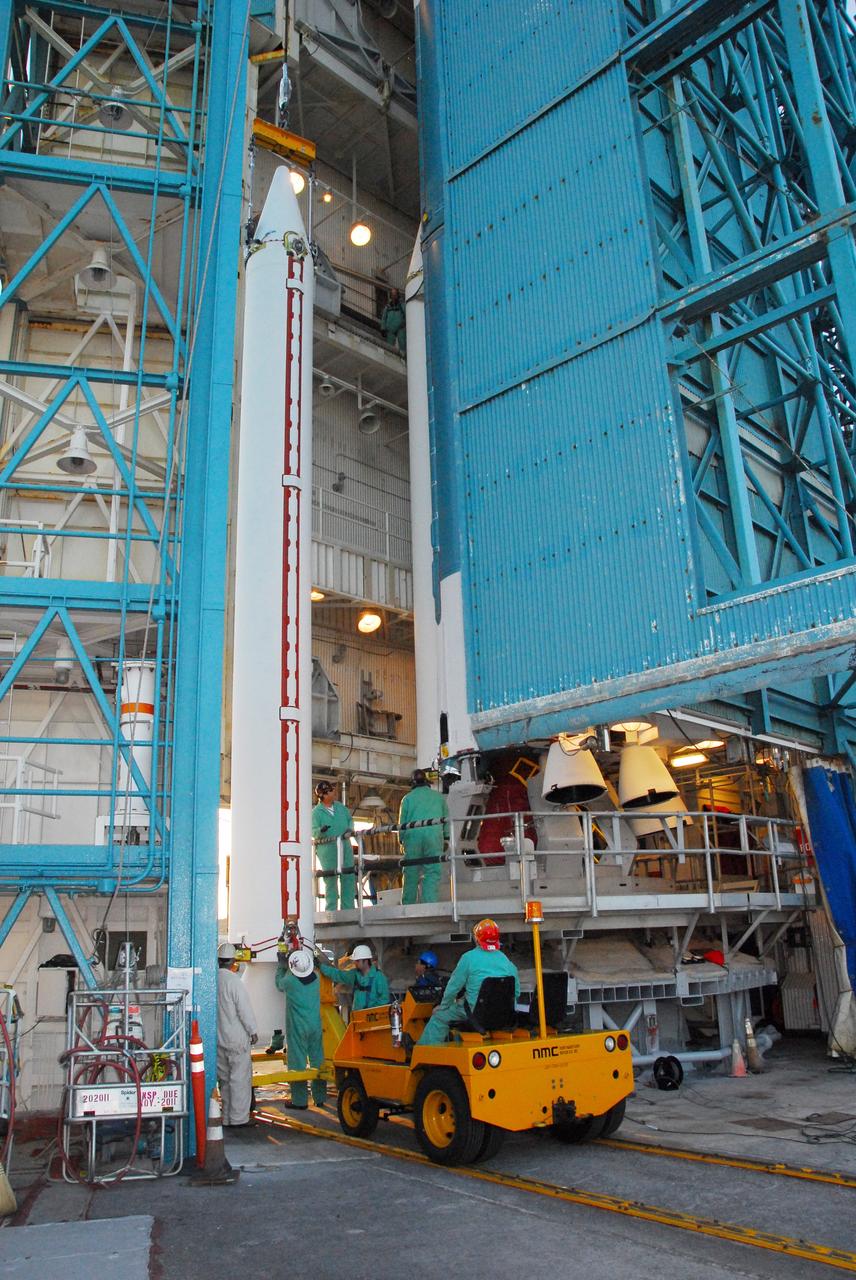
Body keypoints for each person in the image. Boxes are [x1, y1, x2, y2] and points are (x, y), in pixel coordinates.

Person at [418, 919, 519, 1046]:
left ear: (477, 938)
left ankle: (425, 1052)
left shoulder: (468, 958)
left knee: (439, 1017)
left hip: (473, 1014)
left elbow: (453, 988)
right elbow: (516, 992)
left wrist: (443, 1007)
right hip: (502, 1016)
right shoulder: (506, 961)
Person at [274, 948, 327, 1110]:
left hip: (298, 1027)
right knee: (318, 1060)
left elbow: (279, 984)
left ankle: (299, 1101)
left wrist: (281, 966)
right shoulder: (316, 978)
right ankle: (320, 1098)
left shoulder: (290, 981)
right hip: (315, 1025)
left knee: (297, 1062)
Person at [216, 942, 258, 1127]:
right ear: (233, 960)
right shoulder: (234, 982)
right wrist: (253, 1031)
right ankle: (239, 1120)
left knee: (225, 1080)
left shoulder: (213, 980)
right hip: (236, 1039)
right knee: (239, 1081)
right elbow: (244, 1010)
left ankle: (226, 1118)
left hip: (219, 1038)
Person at [398, 769, 449, 905]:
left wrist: (401, 840)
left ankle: (408, 905)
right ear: (427, 782)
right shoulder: (439, 798)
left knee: (411, 871)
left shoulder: (407, 799)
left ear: (412, 784)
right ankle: (430, 904)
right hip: (434, 836)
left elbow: (402, 824)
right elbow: (446, 819)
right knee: (432, 872)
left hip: (412, 837)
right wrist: (447, 838)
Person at [311, 780, 356, 910]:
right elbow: (313, 831)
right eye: (330, 790)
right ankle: (331, 910)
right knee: (330, 879)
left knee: (348, 876)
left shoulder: (341, 807)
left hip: (345, 846)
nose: (333, 792)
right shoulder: (316, 813)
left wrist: (350, 829)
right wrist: (320, 831)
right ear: (323, 795)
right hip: (328, 849)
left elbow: (350, 820)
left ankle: (348, 909)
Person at [318, 943, 390, 1011]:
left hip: (372, 1017)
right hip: (357, 1016)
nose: (355, 963)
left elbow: (384, 999)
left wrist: (371, 1011)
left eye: (357, 961)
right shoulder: (354, 974)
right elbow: (338, 974)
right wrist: (321, 966)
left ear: (366, 961)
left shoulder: (379, 977)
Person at [380, 287, 406, 354]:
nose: (394, 296)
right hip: (390, 329)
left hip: (400, 328)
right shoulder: (387, 307)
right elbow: (384, 318)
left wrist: (404, 323)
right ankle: (390, 355)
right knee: (389, 345)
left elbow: (406, 314)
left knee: (402, 342)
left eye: (395, 294)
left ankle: (404, 355)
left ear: (398, 295)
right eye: (392, 295)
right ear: (390, 296)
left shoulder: (402, 305)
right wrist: (383, 328)